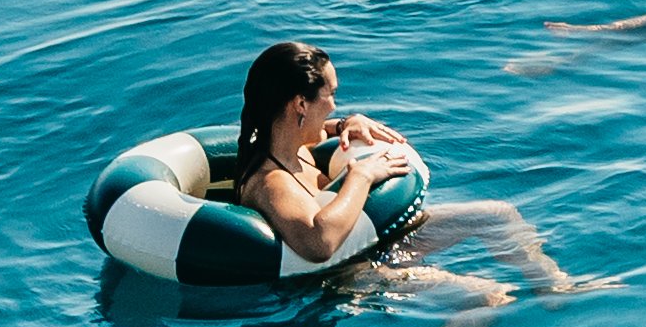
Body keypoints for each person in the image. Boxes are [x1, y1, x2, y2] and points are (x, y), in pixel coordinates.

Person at [231, 40, 615, 303]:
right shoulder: (271, 181)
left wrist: (350, 121)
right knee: (487, 297)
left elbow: (309, 132)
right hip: (350, 270)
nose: (334, 105)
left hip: (378, 239)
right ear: (300, 104)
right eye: (331, 95)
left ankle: (555, 289)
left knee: (497, 214)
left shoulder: (292, 145)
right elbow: (319, 244)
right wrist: (361, 176)